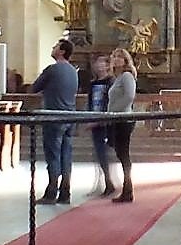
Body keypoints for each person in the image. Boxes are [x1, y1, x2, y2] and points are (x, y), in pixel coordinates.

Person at [29, 38, 79, 204]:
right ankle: (65, 192)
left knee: (53, 155)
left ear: (62, 51)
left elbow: (35, 87)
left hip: (53, 116)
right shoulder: (73, 71)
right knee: (66, 155)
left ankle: (51, 192)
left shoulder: (52, 69)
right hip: (70, 117)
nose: (52, 48)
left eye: (55, 46)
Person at [107, 48, 139, 203]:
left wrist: (114, 110)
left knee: (124, 155)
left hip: (123, 119)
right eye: (114, 56)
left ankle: (128, 189)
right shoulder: (117, 78)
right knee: (121, 154)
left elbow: (129, 97)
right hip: (116, 118)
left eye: (119, 57)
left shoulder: (127, 76)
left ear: (126, 60)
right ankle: (127, 189)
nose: (115, 59)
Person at [85, 55, 117, 196]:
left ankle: (109, 183)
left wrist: (101, 119)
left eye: (101, 63)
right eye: (96, 63)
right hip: (94, 119)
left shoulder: (111, 81)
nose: (98, 66)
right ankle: (101, 183)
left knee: (105, 154)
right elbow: (90, 102)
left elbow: (109, 102)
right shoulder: (93, 83)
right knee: (98, 154)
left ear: (107, 66)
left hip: (105, 121)